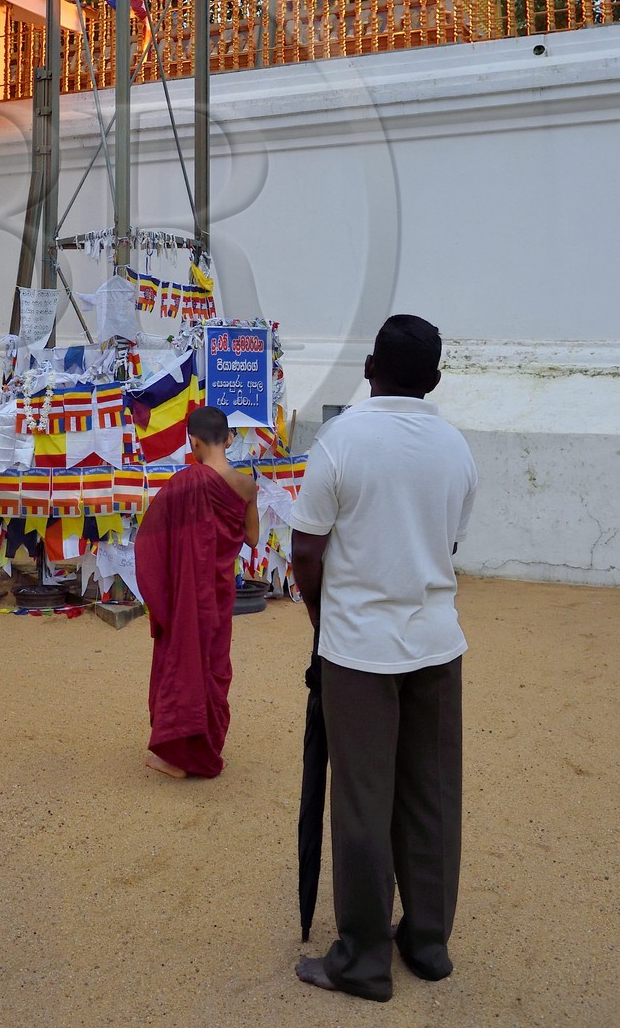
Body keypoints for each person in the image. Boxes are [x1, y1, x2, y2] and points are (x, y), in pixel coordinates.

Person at [290, 314, 478, 1003]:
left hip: (361, 651)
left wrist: (323, 616)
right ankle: (427, 941)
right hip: (436, 643)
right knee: (430, 794)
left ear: (370, 367)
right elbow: (448, 546)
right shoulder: (455, 448)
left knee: (364, 802)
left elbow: (307, 550)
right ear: (432, 380)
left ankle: (363, 958)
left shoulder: (341, 442)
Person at [133, 404, 259, 779]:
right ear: (231, 438)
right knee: (213, 665)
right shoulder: (246, 485)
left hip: (187, 596)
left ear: (192, 441)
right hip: (220, 594)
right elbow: (252, 537)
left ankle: (175, 758)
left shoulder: (183, 483)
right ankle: (205, 749)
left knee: (184, 661)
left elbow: (151, 542)